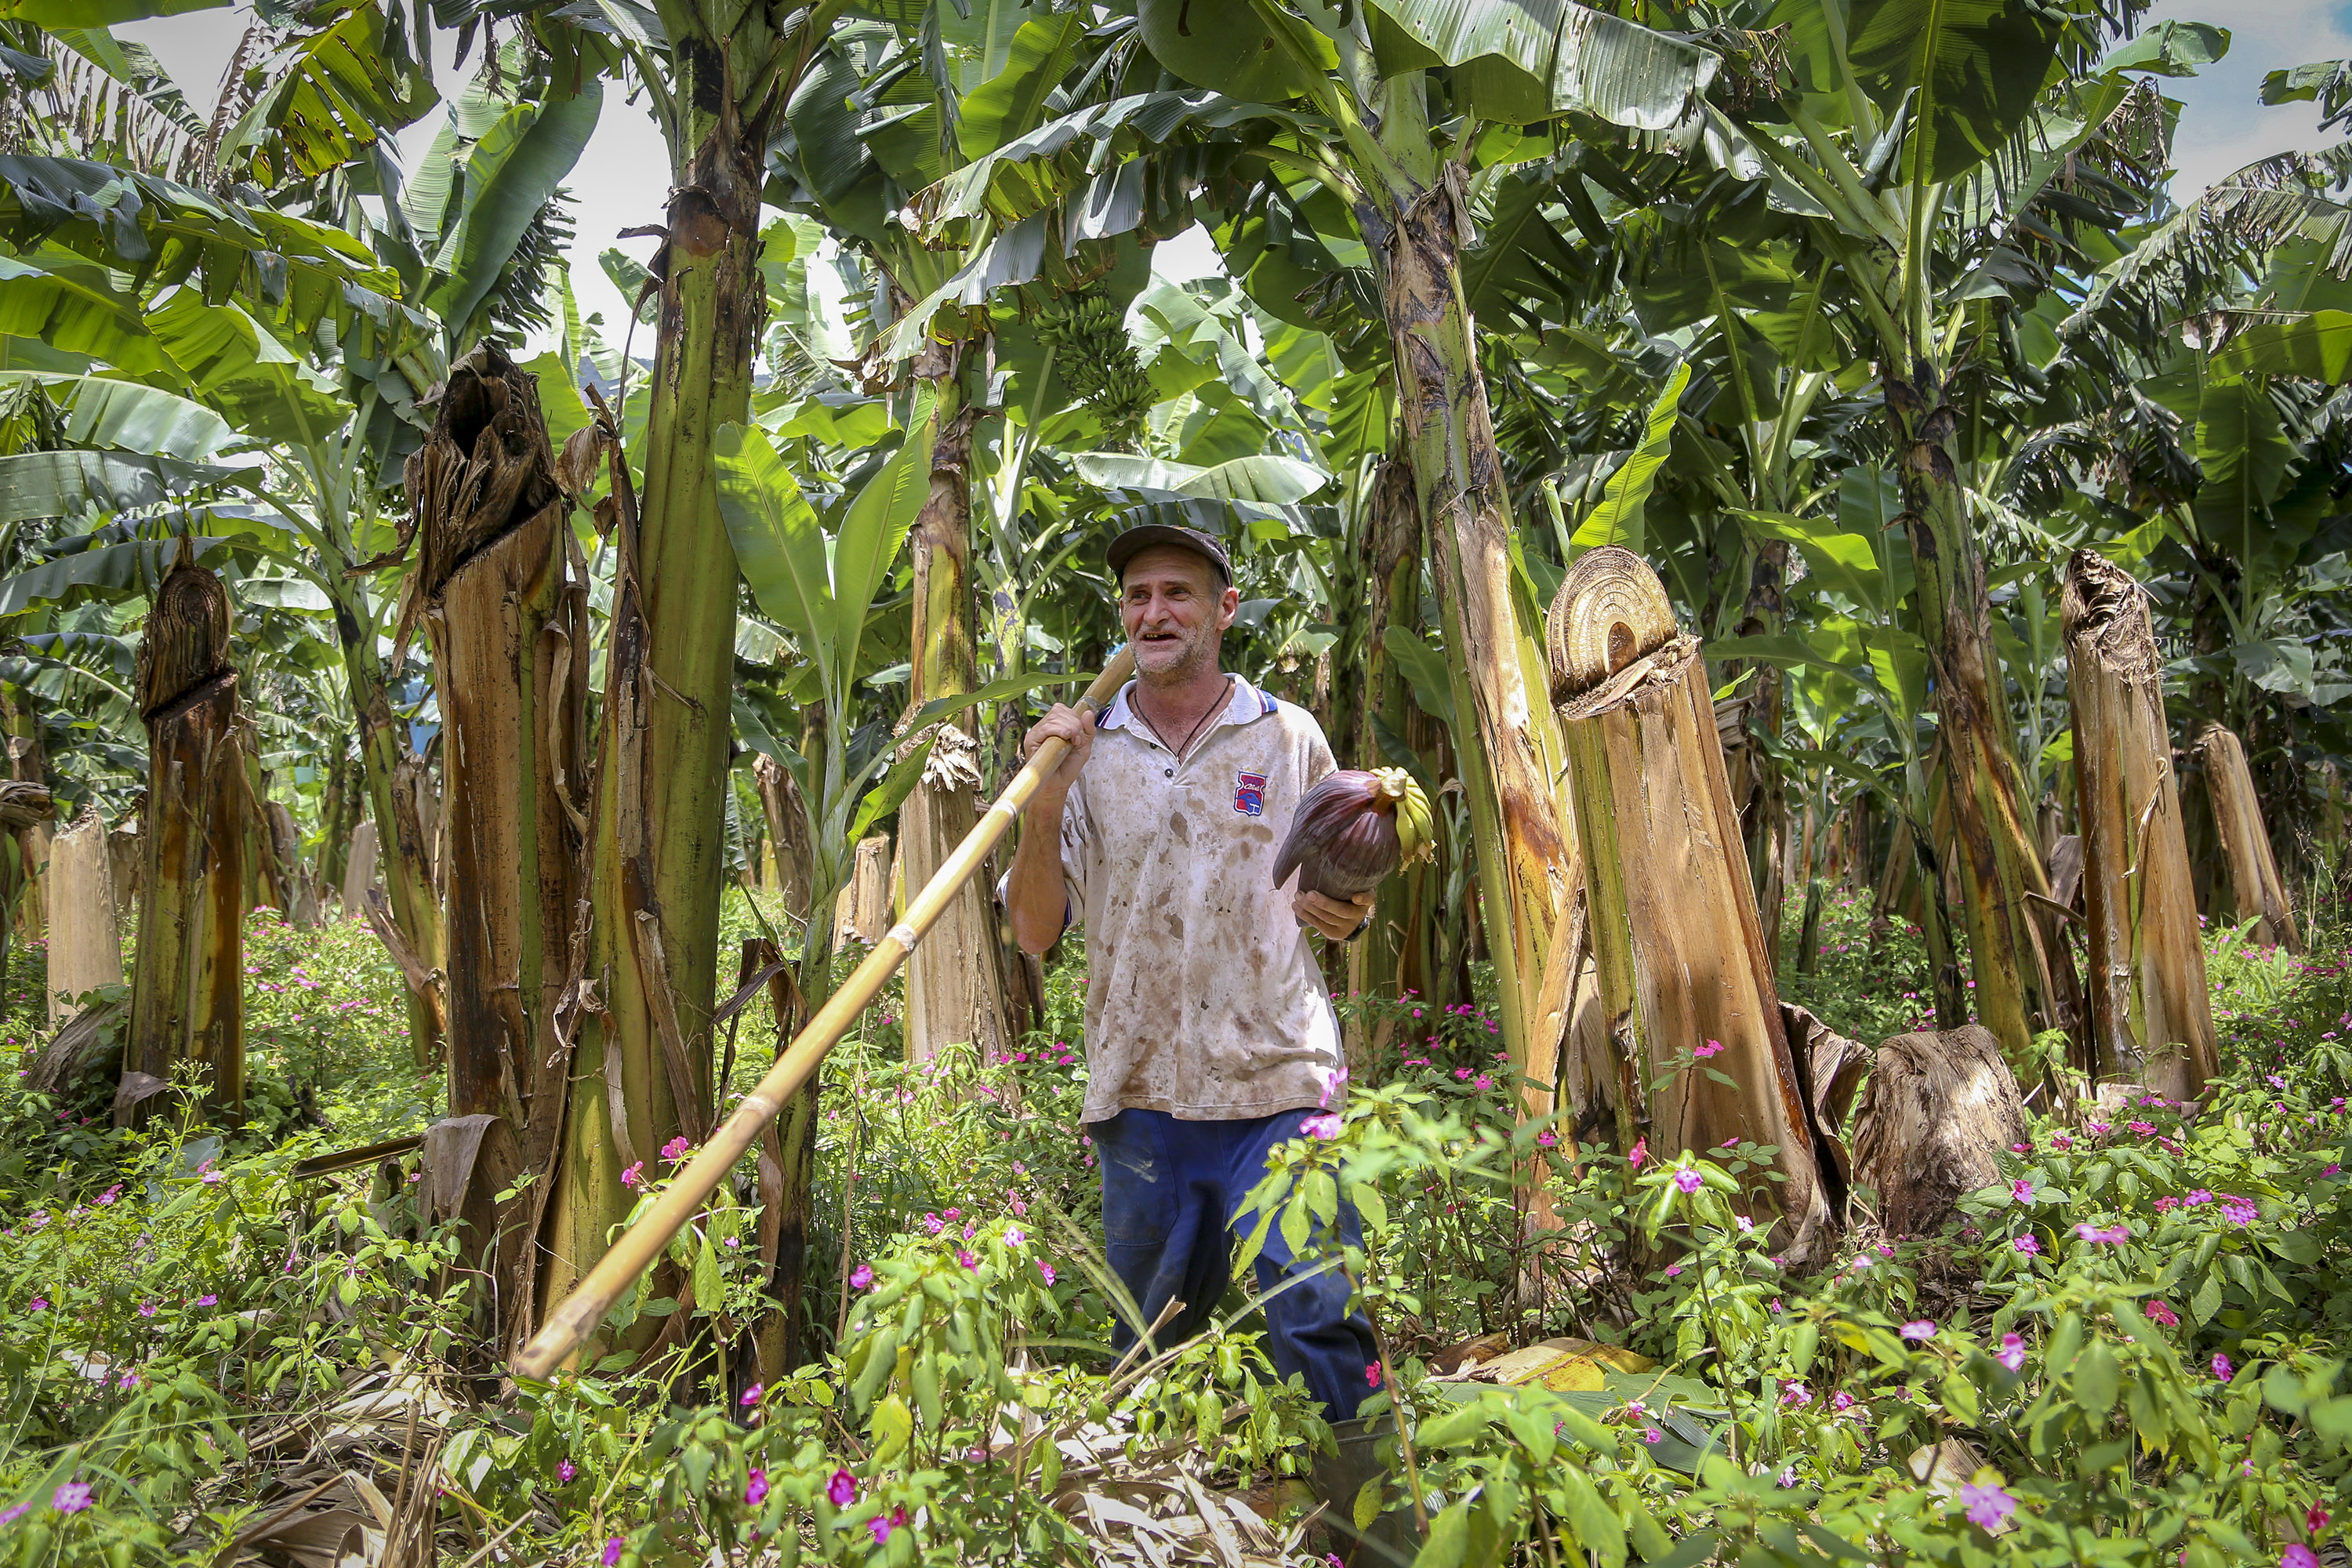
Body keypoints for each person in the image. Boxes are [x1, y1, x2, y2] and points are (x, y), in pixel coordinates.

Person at [1004, 521, 1381, 1426]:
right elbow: (1031, 929)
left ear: (1224, 610)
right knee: (1148, 1345)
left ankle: (1366, 1525)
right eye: (1137, 595)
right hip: (1140, 1089)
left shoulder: (1286, 737)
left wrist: (1350, 906)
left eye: (1177, 592)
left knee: (1318, 1315)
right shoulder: (1085, 755)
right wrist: (1046, 793)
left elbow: (1345, 883)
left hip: (1279, 1075)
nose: (1154, 610)